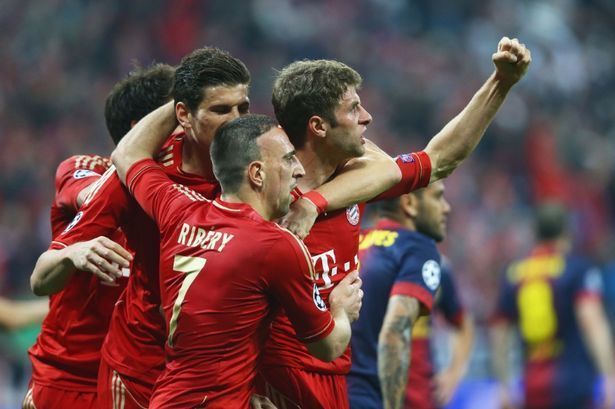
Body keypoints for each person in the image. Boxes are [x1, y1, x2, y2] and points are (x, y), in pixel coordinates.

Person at [32, 46, 400, 409]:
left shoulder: (259, 170)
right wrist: (74, 252)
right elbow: (42, 278)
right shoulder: (145, 177)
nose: (234, 119)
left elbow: (396, 168)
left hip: (222, 379)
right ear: (183, 115)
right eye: (220, 109)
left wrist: (312, 203)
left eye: (242, 106)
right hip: (140, 367)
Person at [258, 37, 531, 409]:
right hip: (280, 386)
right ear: (319, 126)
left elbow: (441, 159)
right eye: (353, 109)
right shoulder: (263, 196)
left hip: (340, 379)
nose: (367, 117)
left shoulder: (356, 181)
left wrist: (501, 82)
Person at [110, 106, 363, 408]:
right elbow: (328, 346)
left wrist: (184, 91)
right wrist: (341, 312)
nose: (298, 169)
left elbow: (126, 154)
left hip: (168, 398)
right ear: (257, 173)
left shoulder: (179, 211)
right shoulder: (275, 245)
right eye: (287, 159)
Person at [23, 63, 175, 409]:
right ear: (142, 128)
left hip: (143, 379)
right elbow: (95, 197)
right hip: (69, 380)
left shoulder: (185, 198)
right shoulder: (86, 169)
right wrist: (134, 161)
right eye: (176, 114)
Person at [346, 183, 472, 409]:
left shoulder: (350, 248)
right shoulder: (422, 252)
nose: (446, 208)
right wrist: (455, 373)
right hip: (398, 398)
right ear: (410, 204)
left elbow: (462, 323)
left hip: (347, 394)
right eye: (438, 198)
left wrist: (453, 373)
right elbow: (395, 332)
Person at [491, 203, 615, 409]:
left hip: (532, 386)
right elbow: (591, 321)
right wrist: (609, 375)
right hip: (572, 383)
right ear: (567, 233)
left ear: (535, 234)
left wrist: (503, 385)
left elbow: (499, 334)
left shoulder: (514, 274)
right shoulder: (576, 270)